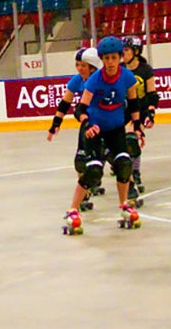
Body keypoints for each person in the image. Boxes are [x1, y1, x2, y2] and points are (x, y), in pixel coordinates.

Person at [62, 36, 144, 234]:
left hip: (116, 129)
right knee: (93, 171)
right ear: (102, 59)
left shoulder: (127, 77)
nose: (110, 62)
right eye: (106, 58)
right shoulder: (95, 79)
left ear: (119, 58)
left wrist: (138, 127)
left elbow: (133, 104)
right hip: (96, 130)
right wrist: (88, 124)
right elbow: (80, 109)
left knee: (124, 164)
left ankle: (124, 205)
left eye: (114, 58)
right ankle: (72, 210)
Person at [47, 46, 102, 211]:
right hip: (86, 124)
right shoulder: (77, 80)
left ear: (93, 67)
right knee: (80, 162)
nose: (79, 69)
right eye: (77, 65)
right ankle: (84, 193)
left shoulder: (101, 80)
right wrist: (55, 124)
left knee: (116, 159)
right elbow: (65, 103)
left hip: (105, 124)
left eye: (83, 65)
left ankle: (132, 184)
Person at [121, 35, 159, 201]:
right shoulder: (120, 68)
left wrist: (151, 113)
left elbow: (152, 94)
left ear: (136, 52)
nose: (123, 53)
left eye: (126, 50)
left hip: (141, 110)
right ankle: (124, 167)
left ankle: (135, 172)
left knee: (132, 139)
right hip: (124, 110)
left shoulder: (145, 69)